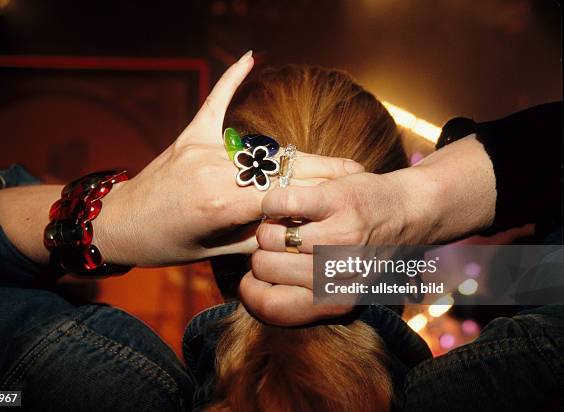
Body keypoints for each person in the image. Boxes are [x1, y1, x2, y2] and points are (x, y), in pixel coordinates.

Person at [0, 52, 361, 410]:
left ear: (210, 255)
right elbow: (414, 272)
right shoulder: (426, 392)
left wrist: (112, 218)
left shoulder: (93, 387)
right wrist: (417, 219)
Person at [239, 99, 563, 411]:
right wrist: (415, 200)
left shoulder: (186, 396)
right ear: (409, 257)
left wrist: (184, 219)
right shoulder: (514, 385)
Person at [184, 65, 429, 412]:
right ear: (405, 243)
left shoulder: (122, 388)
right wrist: (430, 198)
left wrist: (115, 227)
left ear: (213, 247)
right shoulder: (504, 382)